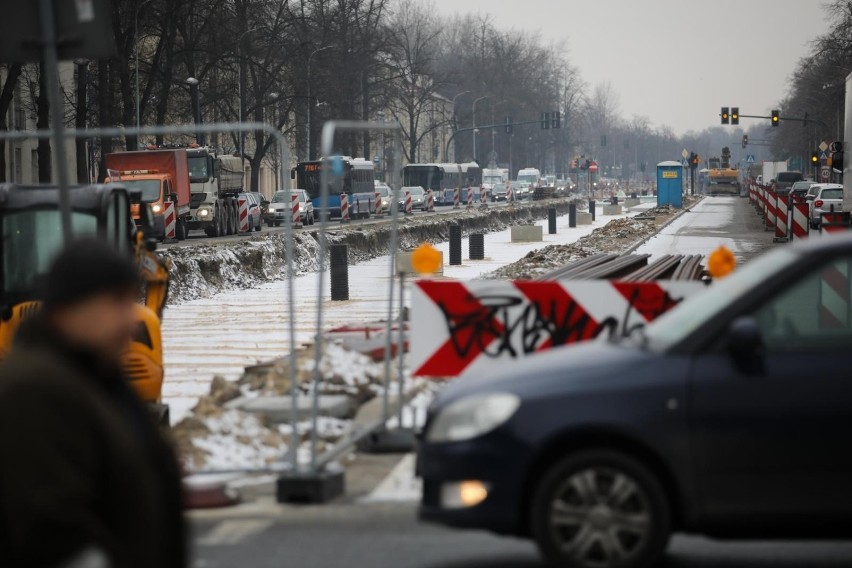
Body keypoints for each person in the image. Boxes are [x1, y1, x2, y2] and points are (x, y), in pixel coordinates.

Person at [0, 241, 186, 568]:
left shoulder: (100, 379)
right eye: (115, 303)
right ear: (68, 310)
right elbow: (46, 526)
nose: (130, 321)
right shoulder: (34, 390)